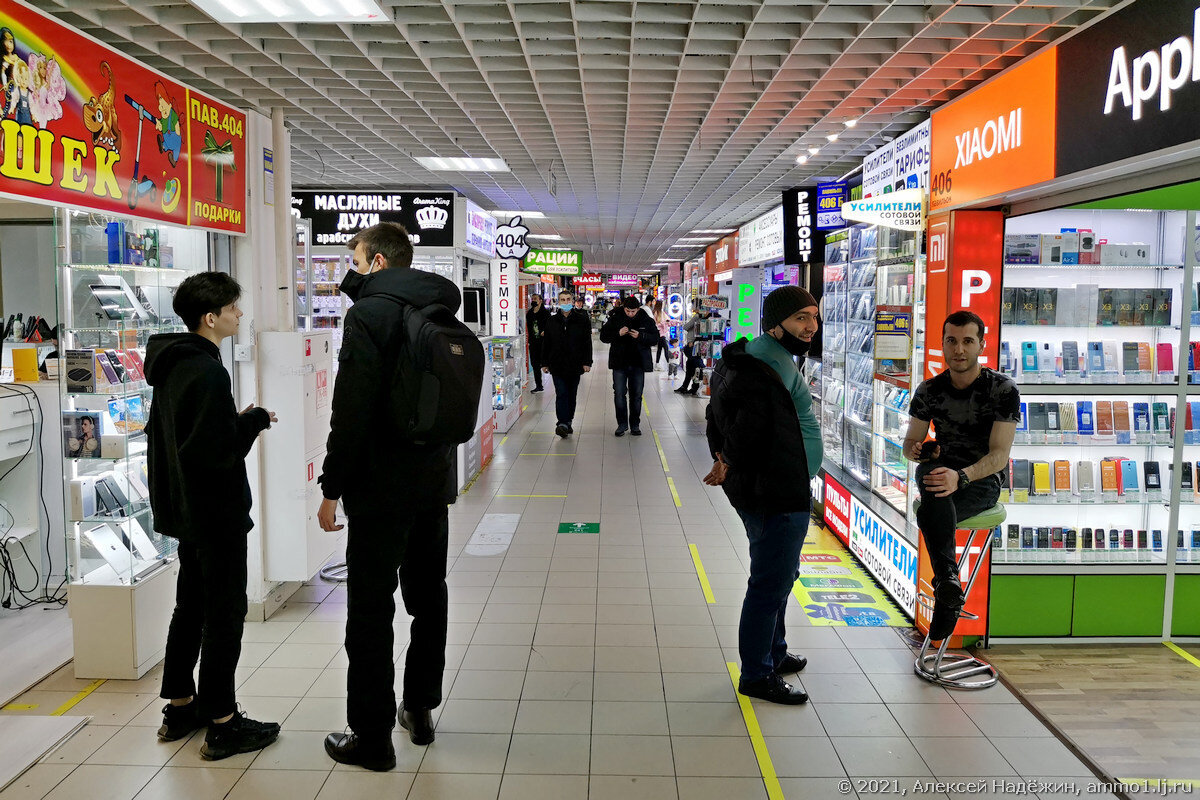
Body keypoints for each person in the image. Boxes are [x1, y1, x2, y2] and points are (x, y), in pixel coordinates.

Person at [317, 222, 464, 771]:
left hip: (379, 489)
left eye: (355, 257)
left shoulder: (368, 316)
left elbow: (350, 411)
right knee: (429, 599)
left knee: (371, 610)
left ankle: (371, 736)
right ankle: (420, 709)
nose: (350, 266)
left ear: (377, 263)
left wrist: (332, 486)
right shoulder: (442, 313)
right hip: (432, 482)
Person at [145, 272, 279, 759]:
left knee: (190, 608)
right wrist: (254, 421)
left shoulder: (172, 364)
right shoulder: (206, 370)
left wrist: (232, 422)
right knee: (224, 615)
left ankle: (180, 706)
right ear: (211, 317)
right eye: (233, 308)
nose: (239, 315)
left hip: (184, 510)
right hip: (214, 512)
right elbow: (216, 451)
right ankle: (223, 720)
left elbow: (180, 440)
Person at [703, 286, 822, 705]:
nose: (810, 326)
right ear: (776, 323)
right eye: (800, 318)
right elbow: (746, 426)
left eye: (814, 316)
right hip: (775, 490)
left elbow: (714, 412)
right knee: (770, 584)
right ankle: (756, 674)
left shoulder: (754, 356)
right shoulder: (765, 367)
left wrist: (723, 457)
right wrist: (726, 460)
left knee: (781, 574)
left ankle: (775, 651)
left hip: (772, 485)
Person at [903, 310, 1019, 642]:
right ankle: (949, 585)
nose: (959, 349)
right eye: (951, 341)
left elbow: (999, 455)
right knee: (934, 481)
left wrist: (962, 477)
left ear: (981, 344)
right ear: (942, 344)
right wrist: (916, 449)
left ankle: (945, 587)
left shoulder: (1003, 389)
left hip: (982, 479)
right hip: (939, 471)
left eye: (968, 341)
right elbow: (911, 441)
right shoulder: (929, 390)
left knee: (930, 508)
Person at [599, 296, 658, 437]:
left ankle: (635, 424)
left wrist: (641, 336)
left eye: (633, 311)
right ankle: (622, 424)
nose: (630, 314)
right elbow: (603, 336)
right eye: (627, 311)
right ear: (623, 308)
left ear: (638, 309)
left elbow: (655, 338)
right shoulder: (615, 317)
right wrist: (617, 334)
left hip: (638, 363)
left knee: (636, 395)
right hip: (619, 363)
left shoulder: (646, 319)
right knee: (619, 394)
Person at [542, 289, 593, 438]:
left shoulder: (582, 319)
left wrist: (587, 362)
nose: (565, 302)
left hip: (575, 364)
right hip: (556, 364)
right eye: (562, 300)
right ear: (558, 302)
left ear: (572, 301)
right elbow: (547, 343)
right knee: (561, 393)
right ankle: (562, 423)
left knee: (571, 394)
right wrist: (544, 363)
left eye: (568, 299)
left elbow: (586, 343)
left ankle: (568, 421)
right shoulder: (551, 321)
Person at [676, 299, 707, 395]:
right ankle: (686, 387)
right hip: (694, 345)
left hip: (693, 345)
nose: (692, 307)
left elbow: (686, 327)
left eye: (693, 305)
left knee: (695, 366)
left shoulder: (697, 317)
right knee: (690, 366)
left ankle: (693, 387)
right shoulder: (700, 317)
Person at [526, 294, 550, 393]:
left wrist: (545, 331)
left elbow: (550, 325)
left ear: (540, 300)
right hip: (533, 342)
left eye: (535, 299)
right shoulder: (530, 313)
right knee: (535, 364)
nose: (533, 300)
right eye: (532, 299)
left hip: (543, 342)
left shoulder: (545, 312)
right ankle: (539, 385)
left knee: (545, 362)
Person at [652, 300, 670, 370]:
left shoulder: (662, 313)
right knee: (665, 348)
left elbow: (668, 320)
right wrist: (662, 324)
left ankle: (657, 364)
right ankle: (668, 363)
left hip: (662, 334)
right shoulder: (657, 313)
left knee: (659, 349)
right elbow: (655, 323)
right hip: (660, 334)